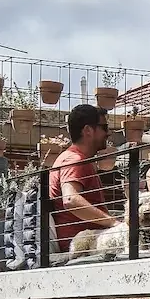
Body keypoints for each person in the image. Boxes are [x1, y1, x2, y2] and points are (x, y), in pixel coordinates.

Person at [48, 103, 119, 252]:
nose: (109, 133)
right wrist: (113, 223)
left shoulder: (72, 158)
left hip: (87, 241)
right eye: (104, 127)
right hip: (83, 245)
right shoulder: (75, 160)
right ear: (88, 130)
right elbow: (70, 200)